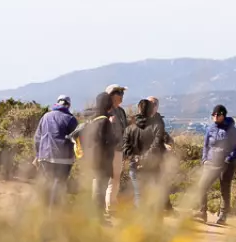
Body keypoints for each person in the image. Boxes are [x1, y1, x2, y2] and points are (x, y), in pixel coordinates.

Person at [70, 91, 117, 215]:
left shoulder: (92, 119)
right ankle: (98, 217)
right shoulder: (105, 122)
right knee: (100, 191)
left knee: (95, 188)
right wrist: (112, 126)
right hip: (103, 162)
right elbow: (109, 142)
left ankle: (95, 215)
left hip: (92, 160)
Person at [195, 105, 236, 225]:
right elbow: (206, 145)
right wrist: (204, 159)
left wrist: (229, 159)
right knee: (202, 186)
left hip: (226, 163)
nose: (215, 116)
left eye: (218, 114)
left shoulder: (231, 129)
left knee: (224, 188)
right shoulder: (210, 129)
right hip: (211, 162)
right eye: (213, 114)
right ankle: (202, 212)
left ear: (223, 115)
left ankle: (223, 214)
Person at [33, 95, 78, 207]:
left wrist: (37, 155)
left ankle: (44, 209)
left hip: (45, 157)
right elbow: (77, 139)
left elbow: (37, 138)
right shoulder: (71, 119)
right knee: (59, 185)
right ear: (68, 105)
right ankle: (54, 211)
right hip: (63, 159)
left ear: (57, 103)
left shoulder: (45, 116)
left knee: (48, 184)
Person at [122, 99, 166, 206]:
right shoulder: (156, 126)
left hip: (134, 165)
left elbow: (125, 146)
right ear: (151, 111)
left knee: (139, 195)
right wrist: (144, 158)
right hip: (151, 165)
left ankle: (139, 215)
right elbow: (156, 146)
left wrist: (135, 157)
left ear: (138, 109)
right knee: (153, 195)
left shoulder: (129, 127)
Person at [105, 84, 128, 215]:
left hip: (120, 149)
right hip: (110, 150)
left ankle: (111, 203)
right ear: (112, 95)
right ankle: (110, 206)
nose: (122, 96)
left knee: (116, 179)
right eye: (119, 93)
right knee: (111, 179)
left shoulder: (121, 111)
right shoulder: (106, 111)